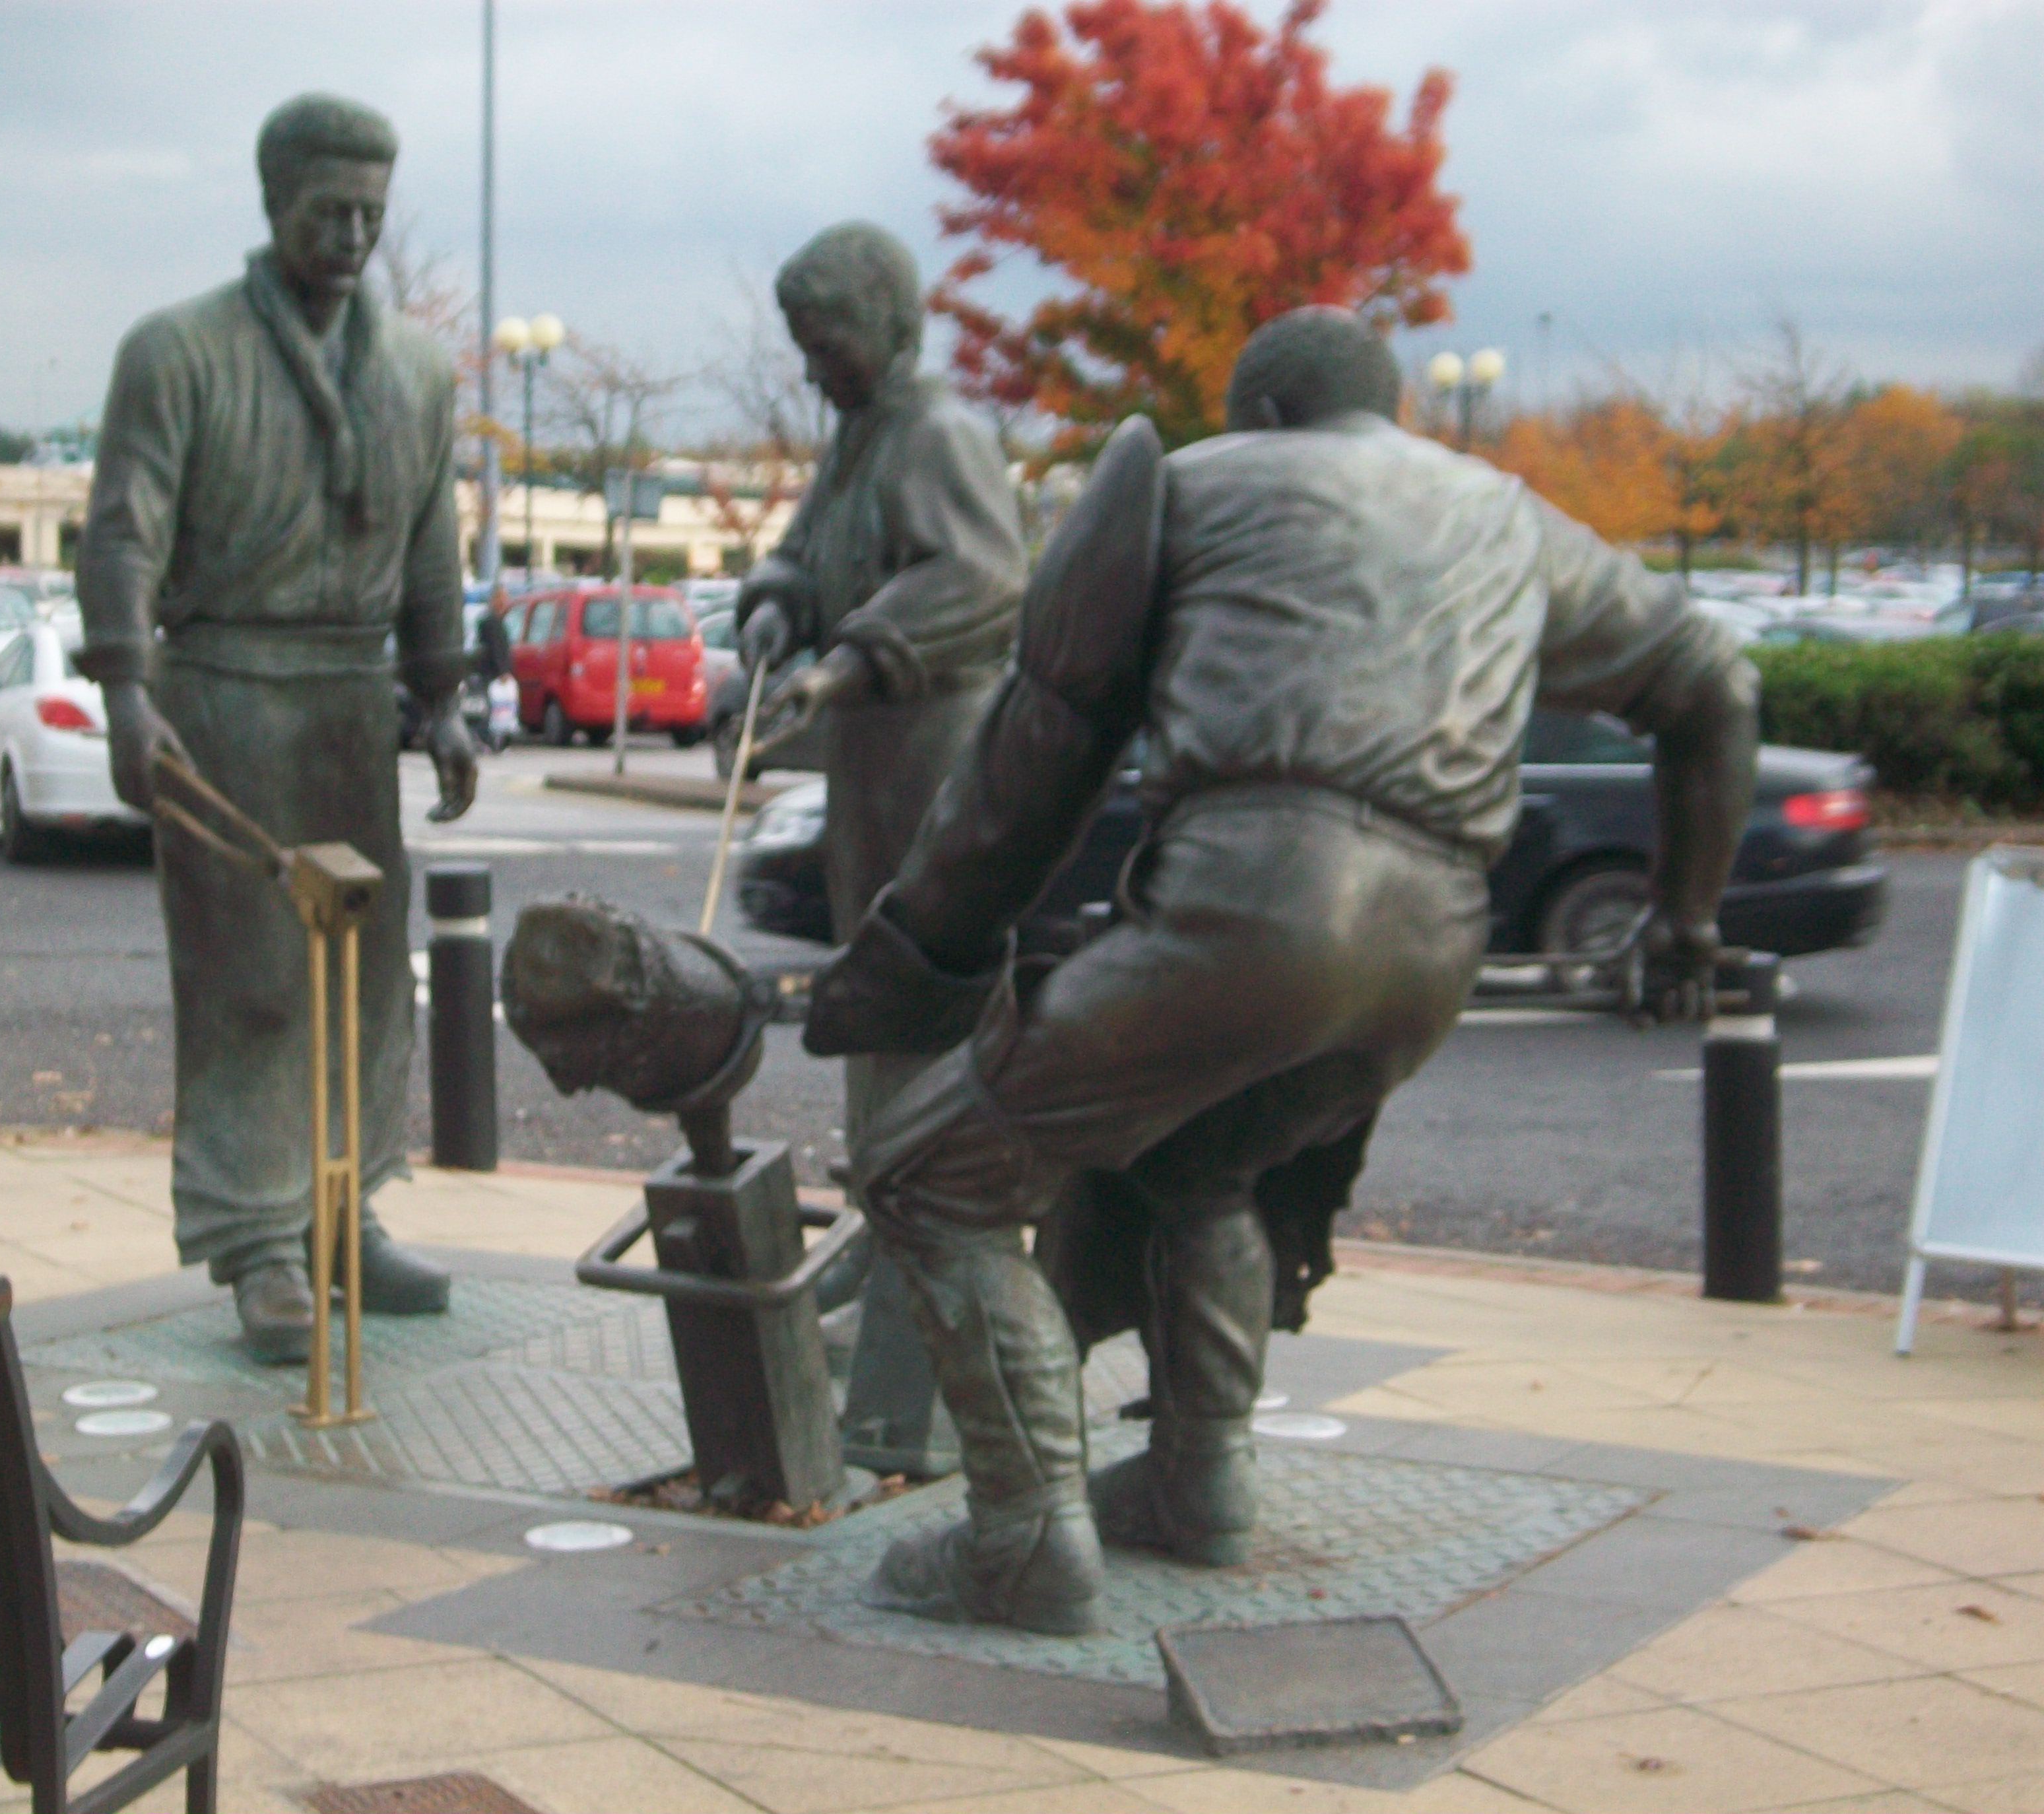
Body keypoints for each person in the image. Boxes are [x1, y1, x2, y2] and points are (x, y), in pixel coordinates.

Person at [807, 306, 1761, 1632]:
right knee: (1201, 1164)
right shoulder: (1504, 516)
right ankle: (1198, 1483)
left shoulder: (1183, 483)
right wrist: (1682, 921)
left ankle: (1021, 1539)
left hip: (1252, 908)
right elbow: (1714, 681)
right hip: (1431, 947)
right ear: (1388, 415)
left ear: (1255, 416)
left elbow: (1040, 747)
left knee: (922, 1173)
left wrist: (921, 949)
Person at [77, 92, 477, 1364]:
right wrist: (128, 693)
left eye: (373, 210)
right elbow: (122, 529)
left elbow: (431, 542)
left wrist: (445, 695)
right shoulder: (176, 352)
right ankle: (260, 1241)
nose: (355, 233)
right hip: (226, 694)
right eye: (329, 210)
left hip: (353, 705)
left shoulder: (418, 367)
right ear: (273, 203)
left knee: (363, 975)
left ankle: (344, 1215)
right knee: (252, 980)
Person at [733, 220, 1025, 1472]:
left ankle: (931, 1250)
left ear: (894, 324)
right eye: (801, 348)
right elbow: (811, 553)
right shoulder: (858, 436)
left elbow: (982, 576)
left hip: (936, 766)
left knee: (926, 1004)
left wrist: (850, 659)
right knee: (872, 1000)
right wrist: (774, 602)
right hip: (871, 765)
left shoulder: (941, 434)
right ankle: (884, 1223)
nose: (813, 371)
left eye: (827, 343)